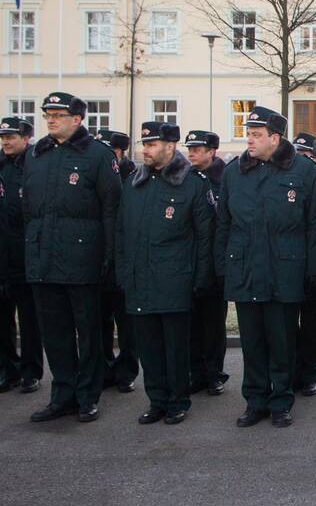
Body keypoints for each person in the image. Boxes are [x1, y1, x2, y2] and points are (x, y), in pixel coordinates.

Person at [215, 106, 316, 428]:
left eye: (256, 135)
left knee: (282, 341)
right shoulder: (234, 172)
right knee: (252, 342)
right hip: (245, 269)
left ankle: (281, 401)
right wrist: (222, 266)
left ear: (274, 138)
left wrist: (314, 272)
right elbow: (224, 223)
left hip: (285, 271)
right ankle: (255, 400)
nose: (249, 139)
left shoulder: (304, 171)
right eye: (248, 133)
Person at [23, 92, 122, 423]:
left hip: (83, 259)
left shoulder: (97, 155)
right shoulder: (37, 154)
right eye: (47, 113)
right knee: (54, 332)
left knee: (89, 332)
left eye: (58, 114)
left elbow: (111, 209)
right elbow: (29, 211)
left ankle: (87, 396)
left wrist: (108, 256)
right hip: (44, 258)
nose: (50, 119)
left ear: (77, 119)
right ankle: (61, 394)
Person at [116, 122, 213, 425]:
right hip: (139, 279)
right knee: (148, 347)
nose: (144, 150)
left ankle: (177, 401)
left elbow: (204, 236)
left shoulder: (193, 183)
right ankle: (156, 400)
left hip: (174, 278)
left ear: (170, 146)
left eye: (152, 144)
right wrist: (123, 273)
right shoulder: (134, 183)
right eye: (144, 144)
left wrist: (200, 279)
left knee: (175, 347)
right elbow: (121, 232)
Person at [183, 129, 229, 396]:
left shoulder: (225, 179)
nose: (191, 153)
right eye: (189, 148)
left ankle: (214, 373)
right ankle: (195, 372)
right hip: (190, 260)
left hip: (214, 261)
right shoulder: (185, 178)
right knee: (191, 322)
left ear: (212, 151)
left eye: (197, 149)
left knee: (213, 324)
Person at [0, 116, 42, 394]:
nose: (5, 142)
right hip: (3, 255)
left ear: (26, 139)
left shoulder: (35, 166)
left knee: (30, 319)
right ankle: (7, 369)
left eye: (11, 137)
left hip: (27, 253)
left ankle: (31, 371)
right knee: (3, 319)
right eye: (3, 138)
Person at [95, 129, 139, 394]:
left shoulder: (134, 179)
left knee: (127, 325)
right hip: (99, 260)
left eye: (111, 151)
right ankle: (104, 369)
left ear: (122, 153)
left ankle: (126, 372)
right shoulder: (95, 176)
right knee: (99, 321)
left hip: (124, 261)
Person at [291, 132, 316, 398]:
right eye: (297, 154)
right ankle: (291, 371)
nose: (302, 160)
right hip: (288, 261)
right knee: (287, 324)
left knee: (311, 323)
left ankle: (310, 372)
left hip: (313, 260)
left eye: (307, 155)